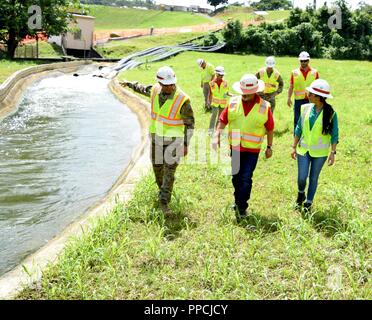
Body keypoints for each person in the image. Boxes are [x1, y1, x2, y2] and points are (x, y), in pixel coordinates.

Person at [121, 66, 195, 215]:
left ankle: (164, 202)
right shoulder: (155, 90)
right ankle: (162, 191)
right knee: (157, 168)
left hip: (174, 142)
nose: (169, 87)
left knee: (169, 171)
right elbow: (142, 88)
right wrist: (129, 84)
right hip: (156, 139)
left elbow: (190, 124)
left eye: (171, 84)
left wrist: (186, 144)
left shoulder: (182, 100)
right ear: (159, 83)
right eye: (165, 85)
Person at [212, 74, 274, 222]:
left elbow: (270, 128)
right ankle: (237, 199)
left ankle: (242, 206)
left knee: (246, 177)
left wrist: (270, 146)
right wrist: (216, 136)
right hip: (236, 147)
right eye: (242, 92)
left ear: (255, 91)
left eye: (247, 93)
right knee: (236, 177)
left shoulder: (265, 107)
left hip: (252, 150)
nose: (244, 95)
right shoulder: (232, 102)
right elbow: (222, 120)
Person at [291, 79, 339, 212]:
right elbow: (298, 128)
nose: (308, 94)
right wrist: (293, 146)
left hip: (320, 153)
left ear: (319, 98)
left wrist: (333, 153)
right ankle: (301, 193)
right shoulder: (305, 108)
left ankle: (308, 203)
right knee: (302, 178)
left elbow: (335, 134)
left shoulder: (331, 113)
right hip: (303, 149)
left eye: (311, 93)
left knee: (313, 178)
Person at [287, 51, 319, 132]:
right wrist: (288, 98)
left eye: (305, 60)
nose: (303, 62)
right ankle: (296, 136)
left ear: (308, 60)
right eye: (301, 61)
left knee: (310, 118)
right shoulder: (294, 72)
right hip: (298, 100)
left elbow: (318, 86)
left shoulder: (315, 72)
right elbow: (291, 86)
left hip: (311, 99)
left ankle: (308, 134)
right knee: (297, 119)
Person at [208, 66, 230, 136]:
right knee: (213, 116)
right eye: (220, 75)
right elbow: (210, 93)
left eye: (222, 75)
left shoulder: (226, 83)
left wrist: (231, 95)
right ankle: (210, 131)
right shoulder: (211, 83)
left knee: (220, 118)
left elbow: (226, 92)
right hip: (215, 103)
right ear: (216, 74)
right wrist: (208, 101)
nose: (222, 76)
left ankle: (218, 131)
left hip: (223, 103)